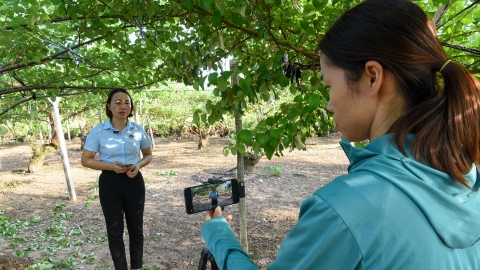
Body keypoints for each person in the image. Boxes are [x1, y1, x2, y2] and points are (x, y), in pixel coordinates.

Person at [201, 0, 480, 269]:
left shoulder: (349, 207)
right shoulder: (468, 178)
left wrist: (218, 234)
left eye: (329, 85)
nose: (329, 104)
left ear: (372, 77)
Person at [81, 89, 153, 270]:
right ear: (109, 106)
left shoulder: (137, 130)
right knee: (115, 231)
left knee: (136, 228)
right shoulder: (98, 131)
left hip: (134, 181)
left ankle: (136, 267)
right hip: (110, 182)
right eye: (118, 102)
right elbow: (86, 159)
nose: (123, 106)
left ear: (131, 106)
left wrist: (138, 165)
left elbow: (148, 155)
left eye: (127, 102)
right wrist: (110, 166)